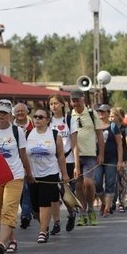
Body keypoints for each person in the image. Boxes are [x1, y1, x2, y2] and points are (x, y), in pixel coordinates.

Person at [0, 100, 33, 254]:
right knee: (2, 211)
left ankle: (1, 243)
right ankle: (12, 241)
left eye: (5, 113)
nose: (1, 115)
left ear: (10, 115)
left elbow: (23, 154)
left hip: (15, 174)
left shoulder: (17, 131)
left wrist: (29, 173)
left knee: (9, 209)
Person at [25, 107, 69, 242]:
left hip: (50, 173)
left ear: (48, 120)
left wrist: (65, 174)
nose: (37, 119)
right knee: (35, 207)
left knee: (45, 202)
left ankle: (42, 231)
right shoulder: (27, 134)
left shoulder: (55, 135)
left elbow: (61, 156)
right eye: (35, 116)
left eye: (40, 117)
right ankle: (44, 226)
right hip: (32, 174)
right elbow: (22, 155)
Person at [70, 90, 104, 226]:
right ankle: (83, 213)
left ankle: (91, 208)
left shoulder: (91, 113)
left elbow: (100, 135)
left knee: (89, 184)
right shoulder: (69, 116)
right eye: (73, 101)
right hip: (74, 156)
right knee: (78, 185)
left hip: (90, 154)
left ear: (83, 100)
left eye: (78, 100)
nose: (75, 103)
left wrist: (101, 154)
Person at [48, 92, 79, 231]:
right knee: (53, 193)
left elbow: (74, 144)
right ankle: (56, 223)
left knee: (65, 192)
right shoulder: (48, 121)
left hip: (68, 160)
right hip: (52, 160)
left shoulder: (69, 119)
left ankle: (71, 213)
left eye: (55, 103)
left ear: (62, 104)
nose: (53, 106)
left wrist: (76, 165)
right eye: (51, 104)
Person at [94, 104, 122, 217]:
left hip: (111, 159)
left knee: (110, 183)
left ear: (108, 113)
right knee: (97, 183)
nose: (101, 113)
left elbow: (119, 144)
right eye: (99, 111)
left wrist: (120, 160)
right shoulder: (94, 126)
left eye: (103, 111)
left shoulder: (113, 126)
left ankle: (106, 208)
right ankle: (104, 202)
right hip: (97, 159)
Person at [13, 102, 34, 229]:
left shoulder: (34, 126)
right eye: (17, 111)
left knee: (27, 189)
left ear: (27, 112)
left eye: (22, 111)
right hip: (15, 163)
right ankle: (26, 212)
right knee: (19, 191)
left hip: (30, 161)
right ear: (14, 114)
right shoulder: (10, 127)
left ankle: (25, 215)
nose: (20, 113)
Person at [111, 107, 127, 211]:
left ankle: (121, 202)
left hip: (124, 158)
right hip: (112, 158)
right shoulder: (108, 128)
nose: (111, 118)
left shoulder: (125, 129)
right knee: (112, 181)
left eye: (112, 116)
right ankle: (111, 202)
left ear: (118, 117)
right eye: (110, 116)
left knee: (122, 181)